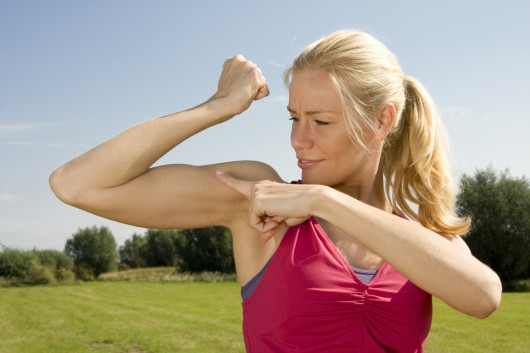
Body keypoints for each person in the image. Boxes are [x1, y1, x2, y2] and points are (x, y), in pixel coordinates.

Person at [50, 29, 501, 352]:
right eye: (294, 118)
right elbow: (77, 184)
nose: (298, 140)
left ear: (382, 120)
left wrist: (323, 201)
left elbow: (483, 297)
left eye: (320, 122)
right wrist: (217, 107)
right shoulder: (257, 197)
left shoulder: (417, 233)